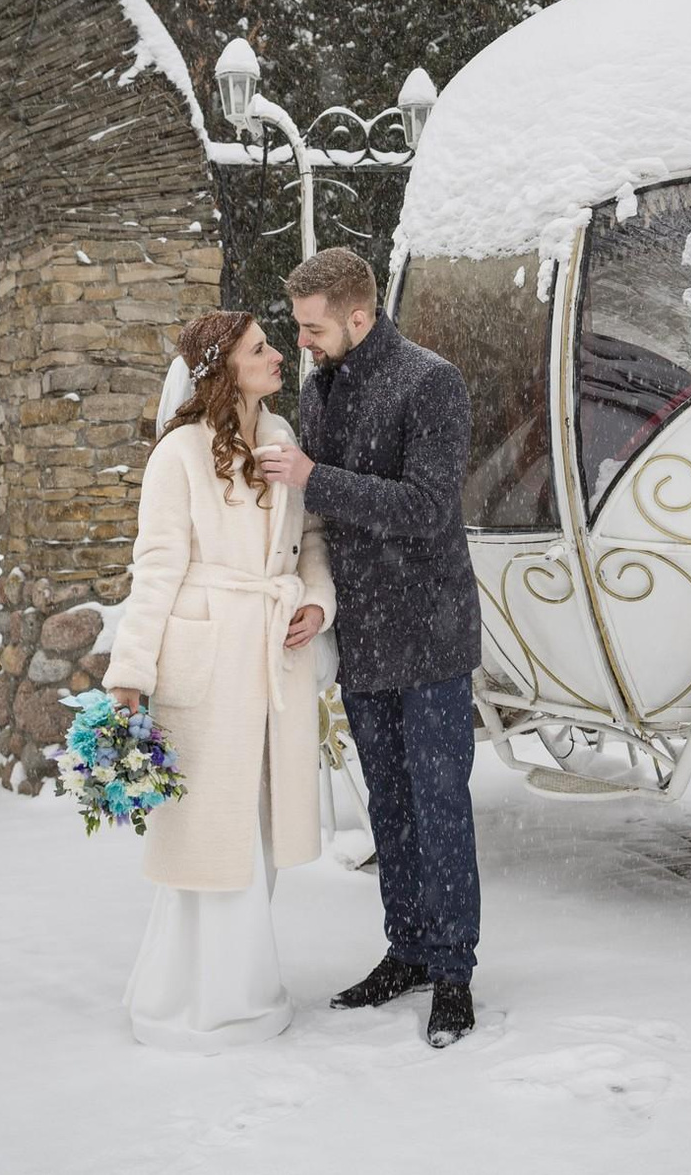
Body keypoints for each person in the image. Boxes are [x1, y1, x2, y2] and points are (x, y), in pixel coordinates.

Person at [256, 247, 483, 1049]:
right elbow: (314, 511)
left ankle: (454, 972)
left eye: (314, 328)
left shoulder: (432, 382)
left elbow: (426, 507)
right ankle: (408, 950)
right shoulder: (321, 387)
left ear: (359, 316)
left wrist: (314, 477)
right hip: (363, 634)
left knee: (439, 802)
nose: (304, 343)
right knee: (385, 802)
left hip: (430, 629)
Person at [101, 309, 335, 1051]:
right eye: (259, 349)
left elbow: (313, 543)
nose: (276, 357)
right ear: (222, 368)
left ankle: (243, 986)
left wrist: (318, 603)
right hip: (204, 660)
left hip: (273, 658)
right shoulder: (179, 455)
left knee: (260, 826)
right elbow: (157, 568)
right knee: (209, 835)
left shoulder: (282, 441)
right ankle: (195, 1000)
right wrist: (130, 673)